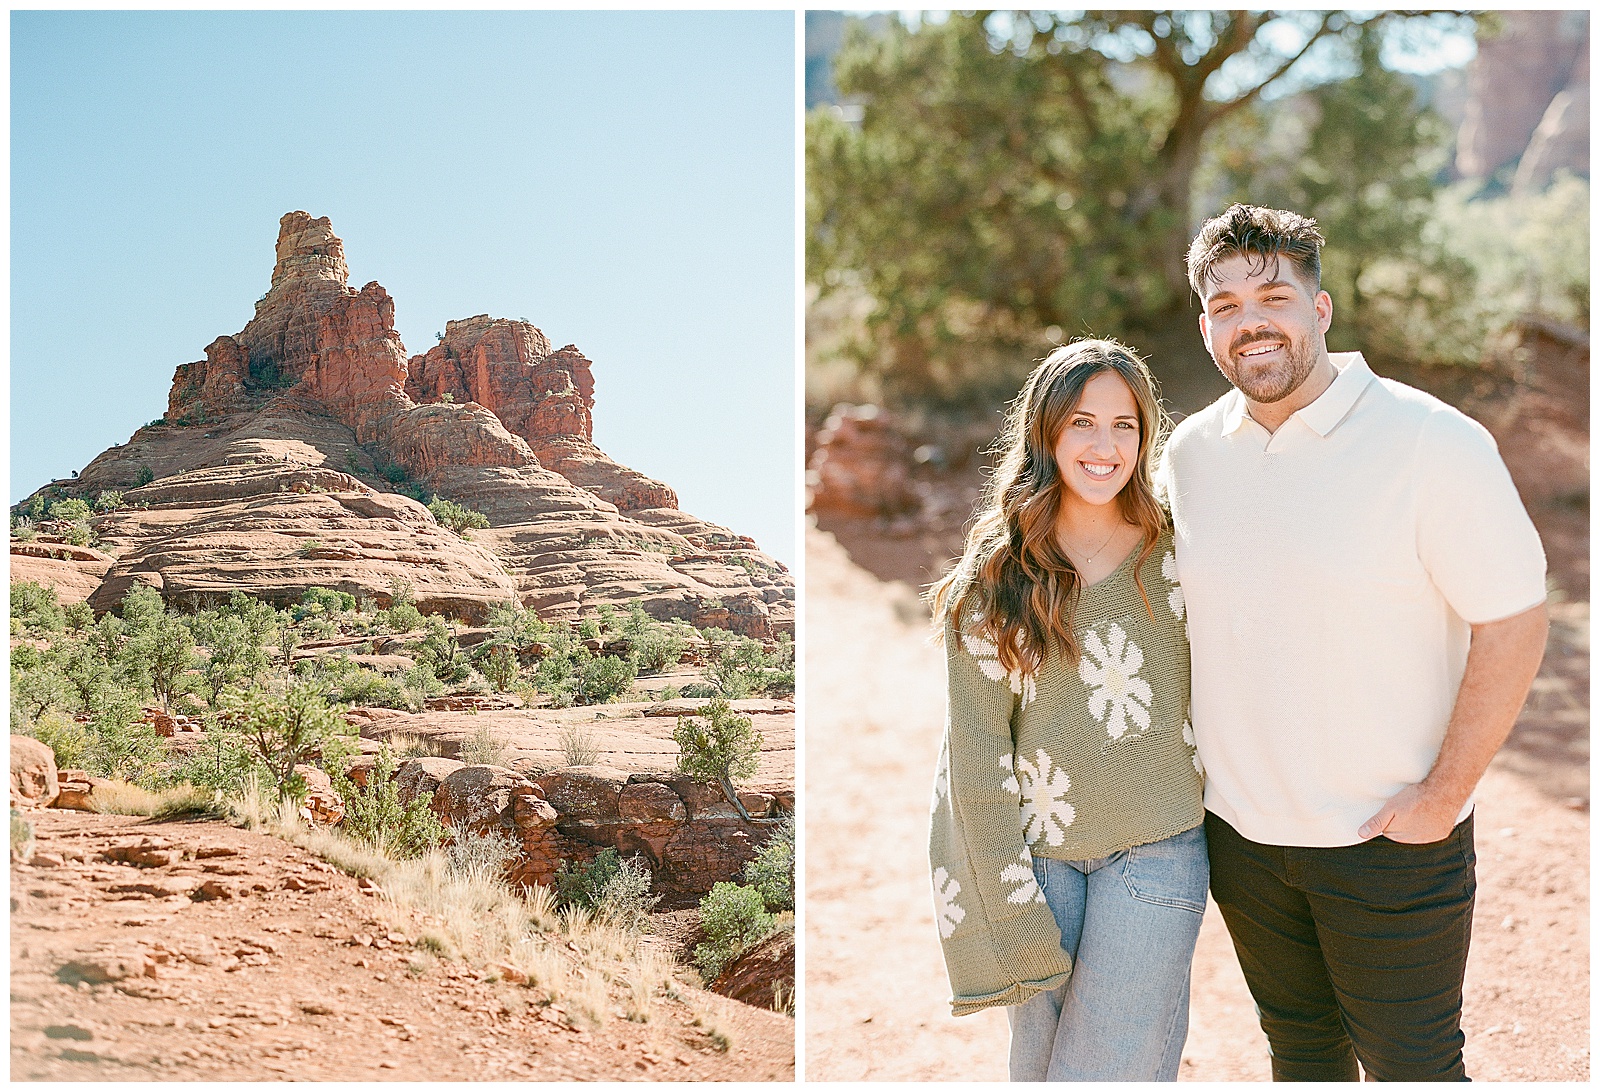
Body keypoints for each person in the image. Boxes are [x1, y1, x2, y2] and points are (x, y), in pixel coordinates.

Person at [1161, 204, 1549, 1081]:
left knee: (1413, 1067)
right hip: (1241, 839)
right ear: (1205, 327)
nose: (1249, 320)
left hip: (1392, 840)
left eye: (1273, 296)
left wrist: (1444, 794)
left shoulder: (1432, 441)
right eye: (1224, 305)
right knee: (1301, 1056)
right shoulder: (1187, 455)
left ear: (1322, 308)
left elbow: (1516, 619)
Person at [927, 338, 1205, 1081]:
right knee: (1041, 1071)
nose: (1105, 445)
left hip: (1158, 852)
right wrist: (1013, 914)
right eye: (1083, 422)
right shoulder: (991, 585)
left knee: (1112, 1072)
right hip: (1040, 868)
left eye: (1125, 425)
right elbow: (977, 766)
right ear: (1045, 433)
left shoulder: (1179, 555)